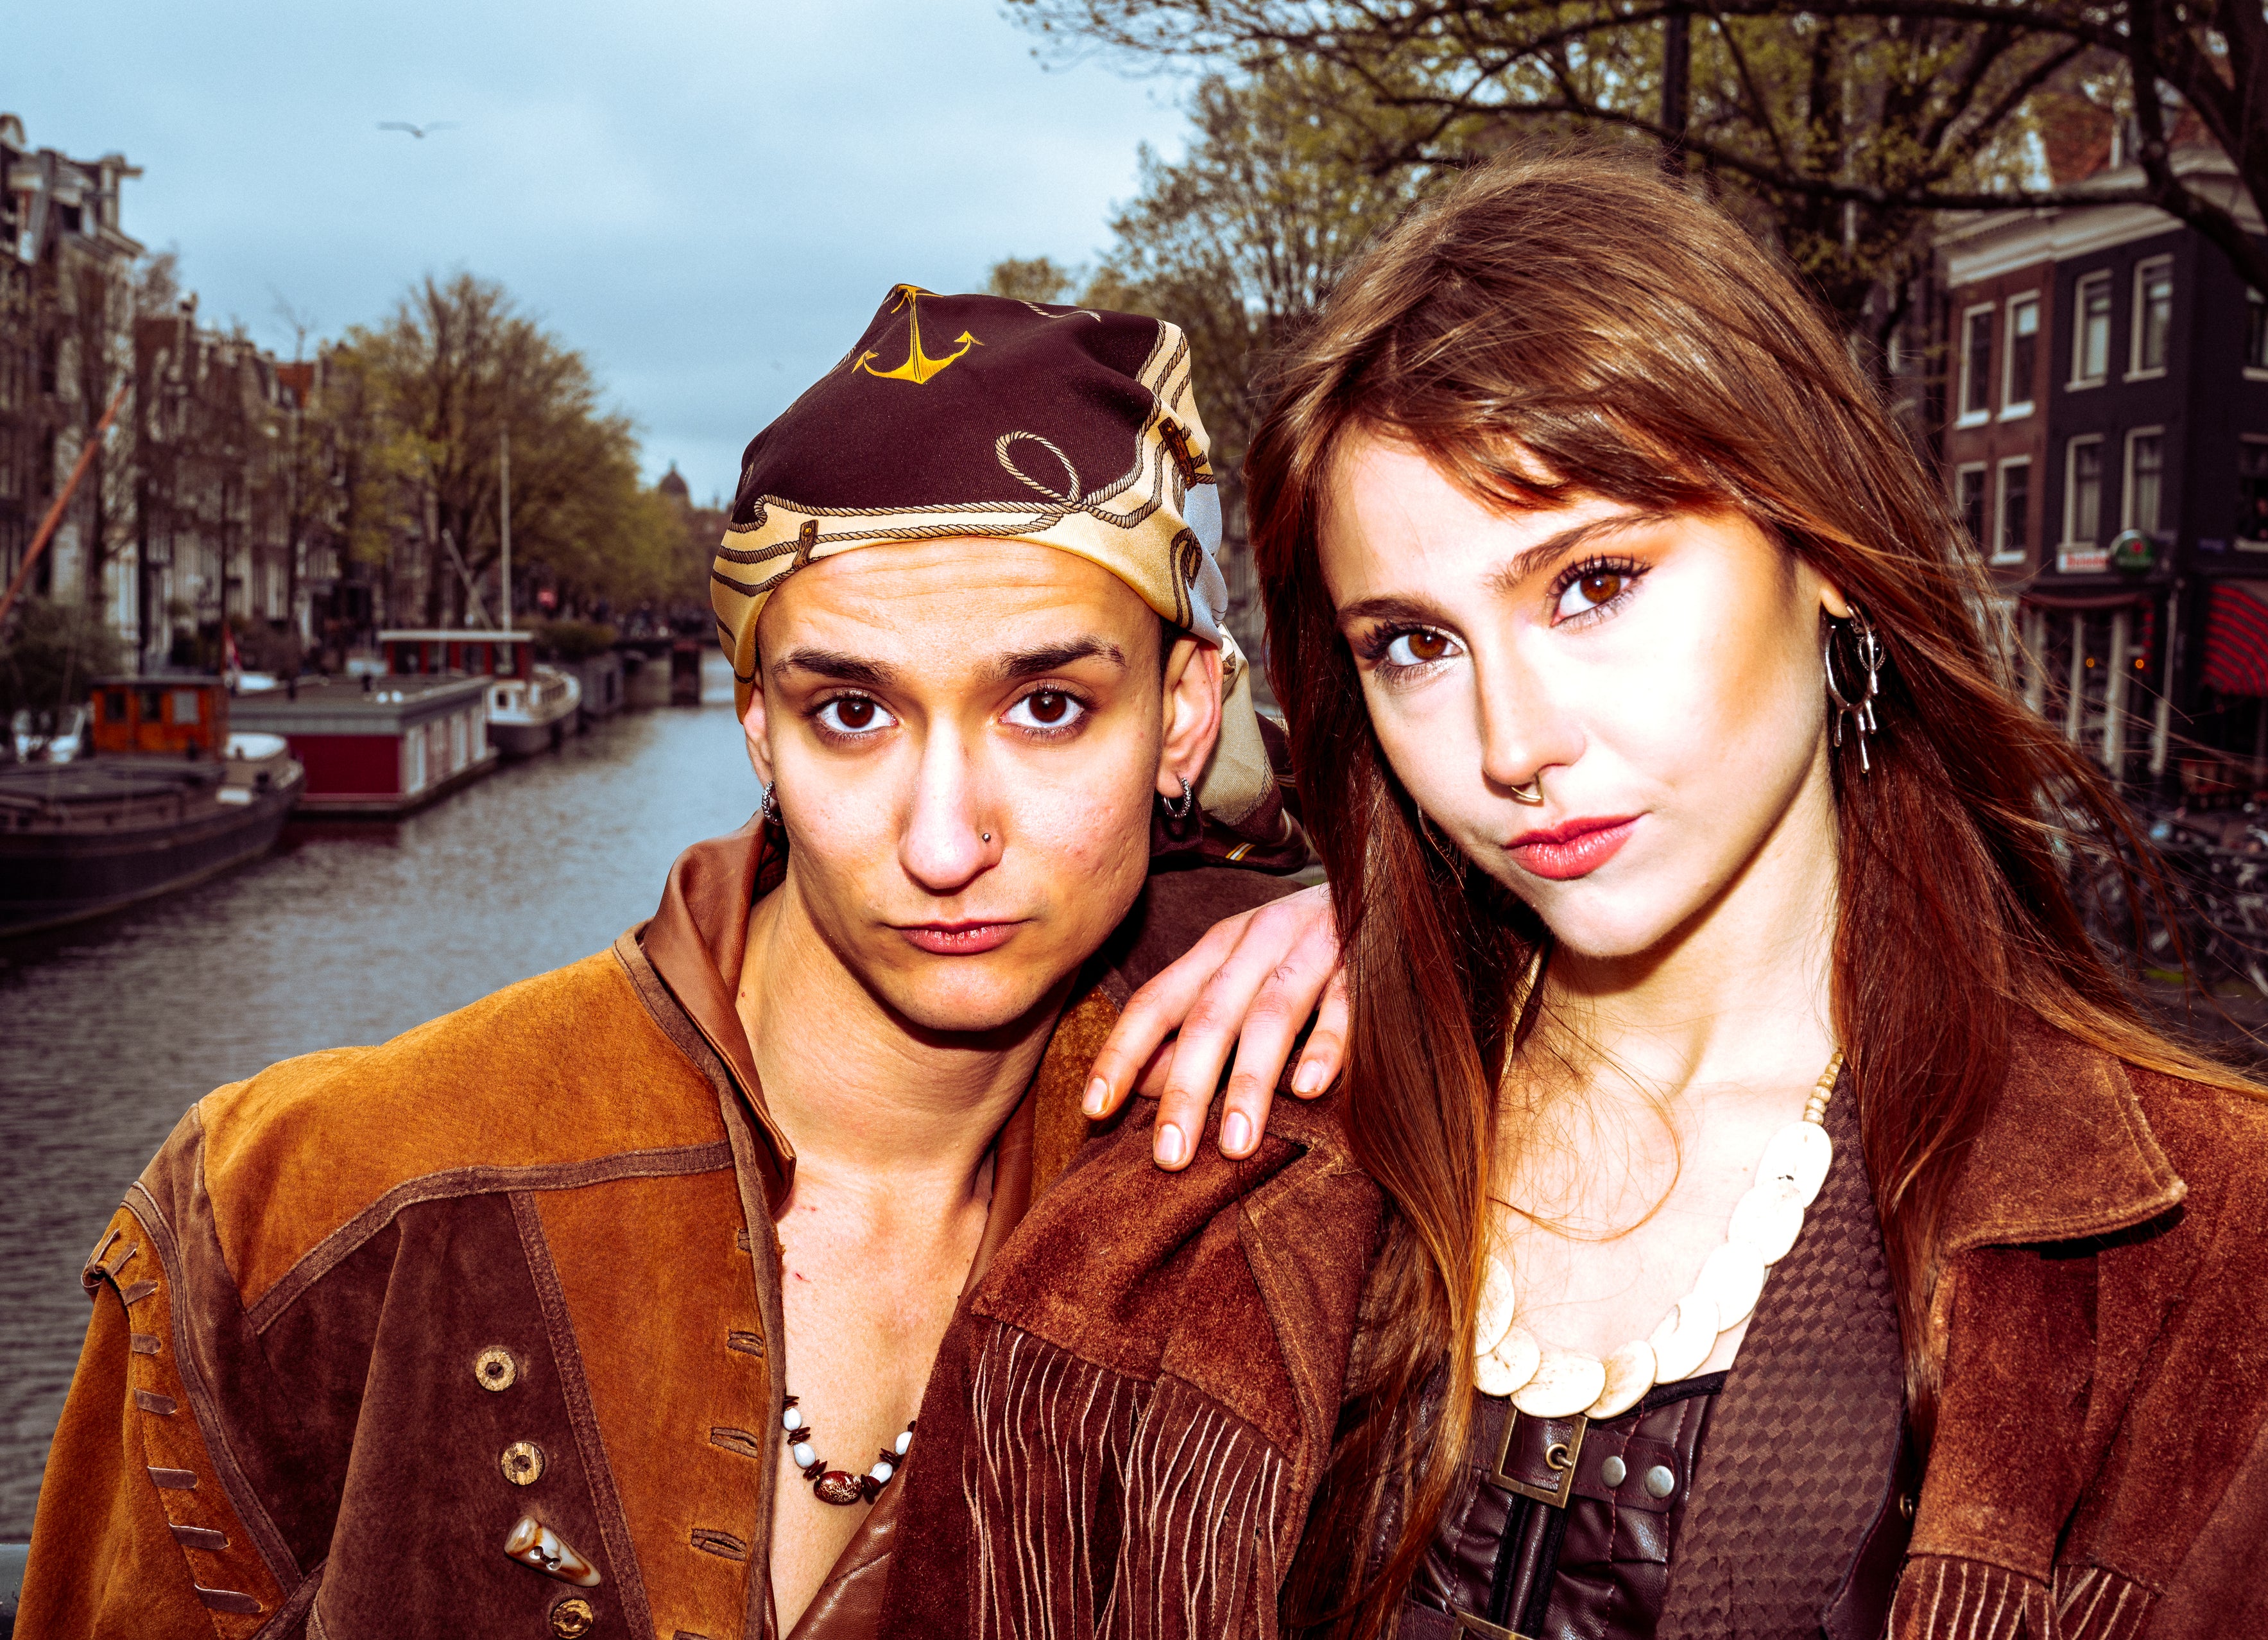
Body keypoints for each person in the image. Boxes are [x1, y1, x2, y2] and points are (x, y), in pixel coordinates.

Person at [893, 151, 2268, 1639]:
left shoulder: (2232, 1270)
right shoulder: (1201, 1161)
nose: (1513, 743)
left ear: (1822, 551)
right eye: (1414, 644)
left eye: (1594, 583)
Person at [14, 288, 1336, 1639]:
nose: (945, 842)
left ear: (1184, 717)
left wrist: (1401, 936)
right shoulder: (295, 1210)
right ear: (759, 729)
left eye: (1047, 707)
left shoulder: (1301, 1166)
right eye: (853, 711)